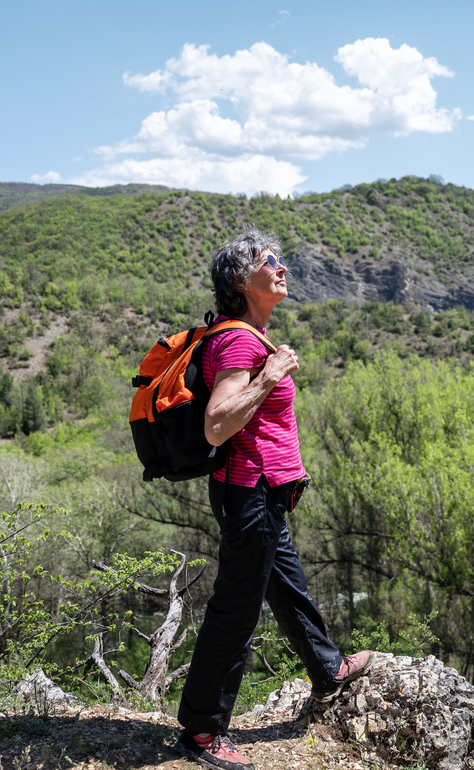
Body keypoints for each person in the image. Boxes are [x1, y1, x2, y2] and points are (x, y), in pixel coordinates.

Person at [177, 227, 373, 770]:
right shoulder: (241, 341)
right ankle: (200, 732)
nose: (282, 267)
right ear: (243, 281)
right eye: (271, 261)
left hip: (265, 494)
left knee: (288, 586)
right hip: (250, 494)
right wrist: (270, 374)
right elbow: (218, 425)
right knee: (236, 611)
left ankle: (327, 667)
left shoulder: (244, 334)